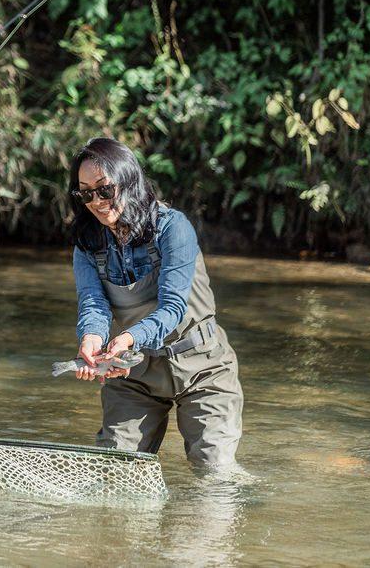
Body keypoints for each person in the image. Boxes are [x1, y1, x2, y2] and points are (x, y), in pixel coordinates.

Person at [69, 137, 243, 468]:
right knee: (115, 468)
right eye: (85, 193)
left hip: (204, 369)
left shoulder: (172, 227)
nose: (96, 201)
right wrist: (91, 339)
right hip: (134, 373)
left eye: (104, 190)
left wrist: (127, 337)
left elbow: (173, 308)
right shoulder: (87, 243)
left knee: (214, 472)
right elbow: (93, 304)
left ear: (129, 180)